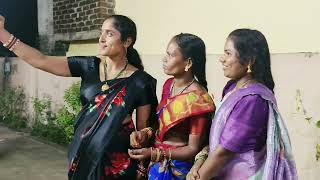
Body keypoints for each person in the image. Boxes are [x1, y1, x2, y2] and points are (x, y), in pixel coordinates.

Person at [0, 14, 158, 180]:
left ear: (127, 42)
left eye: (109, 34)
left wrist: (142, 167)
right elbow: (41, 60)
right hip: (83, 154)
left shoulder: (141, 81)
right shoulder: (88, 65)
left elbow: (144, 131)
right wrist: (3, 35)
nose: (101, 39)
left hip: (117, 163)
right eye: (101, 32)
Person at [187, 29, 298, 180]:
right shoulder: (232, 87)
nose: (222, 59)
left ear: (249, 61)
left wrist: (199, 177)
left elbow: (224, 152)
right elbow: (217, 139)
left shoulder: (253, 100)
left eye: (228, 53)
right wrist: (198, 163)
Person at [128, 33, 215, 179]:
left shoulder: (198, 100)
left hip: (179, 168)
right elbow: (162, 123)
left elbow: (193, 148)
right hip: (157, 163)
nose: (164, 59)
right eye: (166, 54)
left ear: (188, 63)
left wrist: (156, 153)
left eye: (170, 55)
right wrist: (146, 133)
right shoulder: (168, 85)